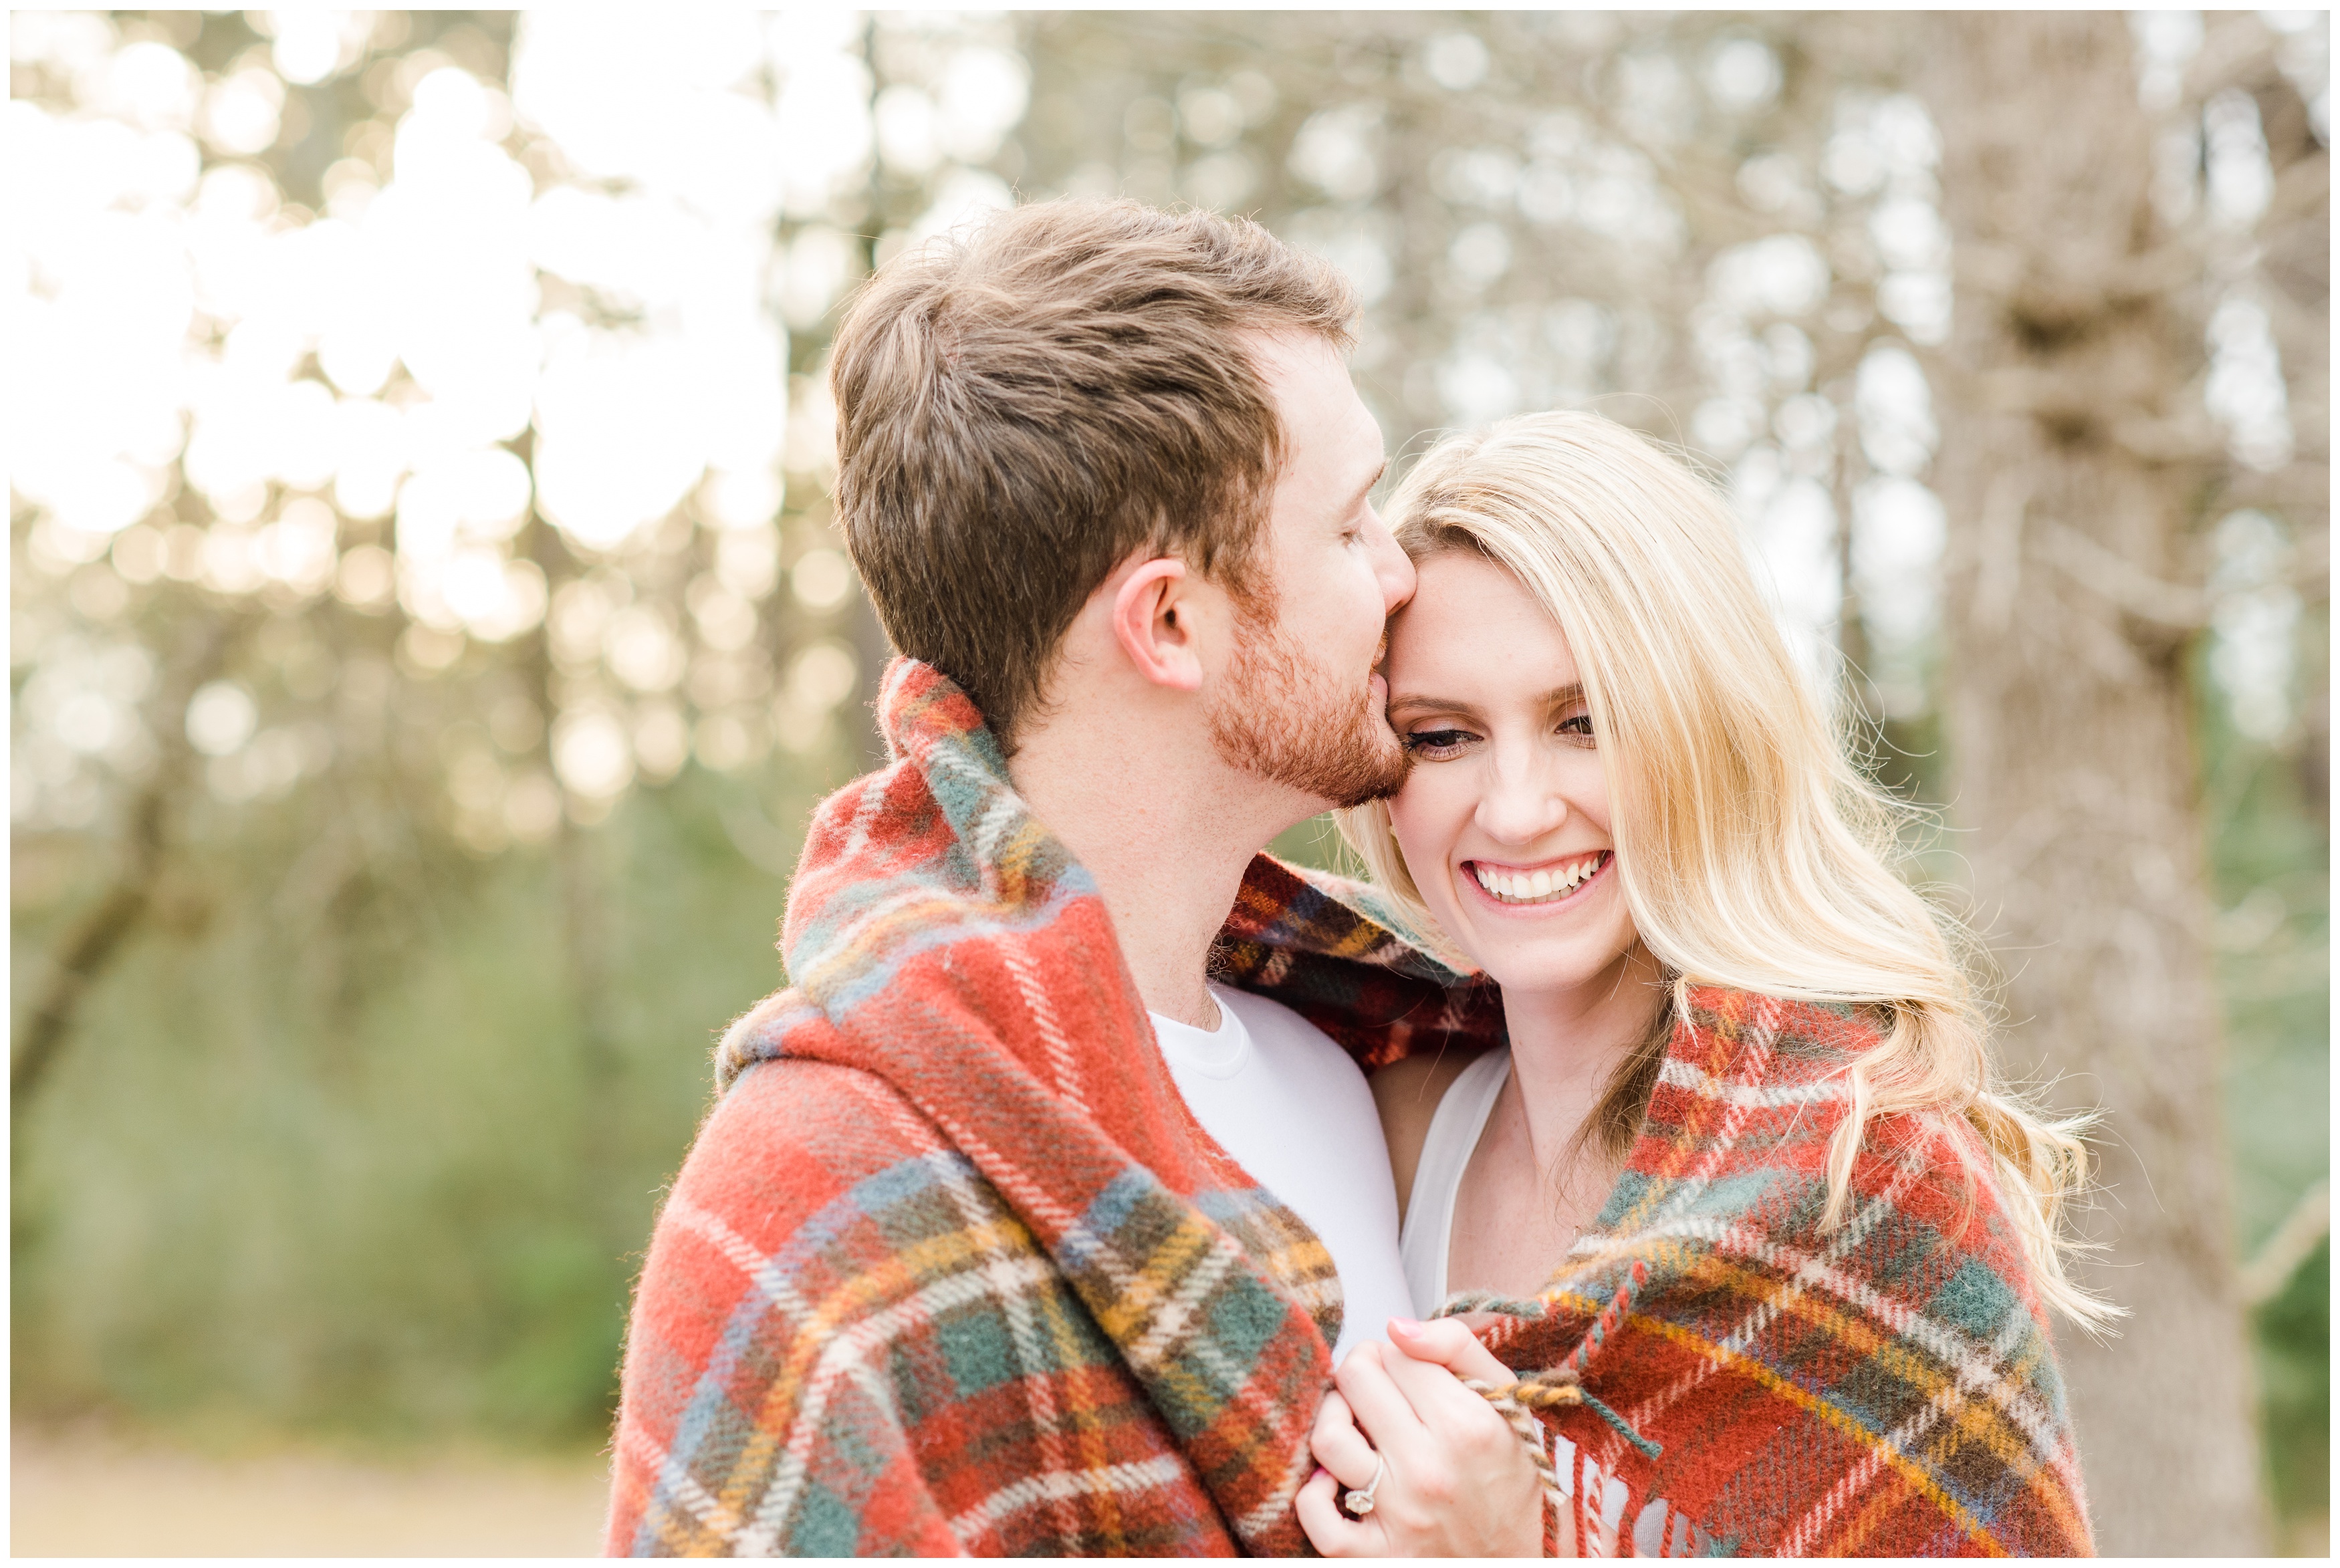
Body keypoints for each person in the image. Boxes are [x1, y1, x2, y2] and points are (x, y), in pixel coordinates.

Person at [603, 199, 1496, 1557]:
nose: (1396, 576)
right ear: (1170, 622)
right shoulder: (818, 1199)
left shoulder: (1369, 1059)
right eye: (1351, 525)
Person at [1252, 412, 2111, 1557]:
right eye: (1444, 735)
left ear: (1703, 731)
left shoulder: (1868, 1168)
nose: (1513, 809)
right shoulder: (1387, 1115)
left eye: (1585, 721)